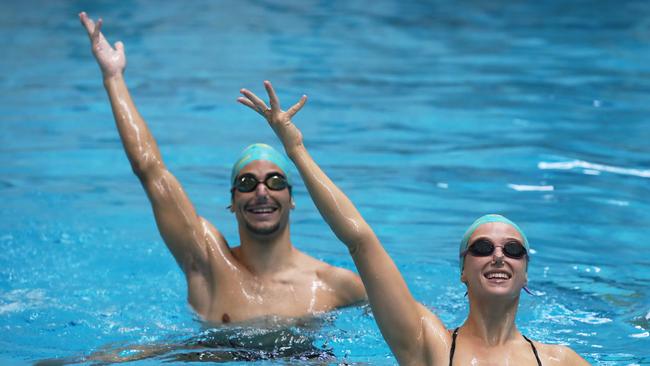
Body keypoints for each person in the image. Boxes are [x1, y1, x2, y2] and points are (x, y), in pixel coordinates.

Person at [237, 86, 592, 364]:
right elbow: (360, 241)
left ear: (526, 273)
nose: (499, 256)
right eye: (482, 248)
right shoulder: (430, 346)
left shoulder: (560, 360)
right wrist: (296, 149)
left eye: (513, 251)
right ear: (463, 271)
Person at [78, 12, 365, 326]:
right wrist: (113, 78)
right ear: (232, 201)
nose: (260, 191)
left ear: (291, 198)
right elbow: (149, 170)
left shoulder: (334, 285)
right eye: (246, 182)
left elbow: (409, 319)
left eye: (274, 181)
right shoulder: (207, 262)